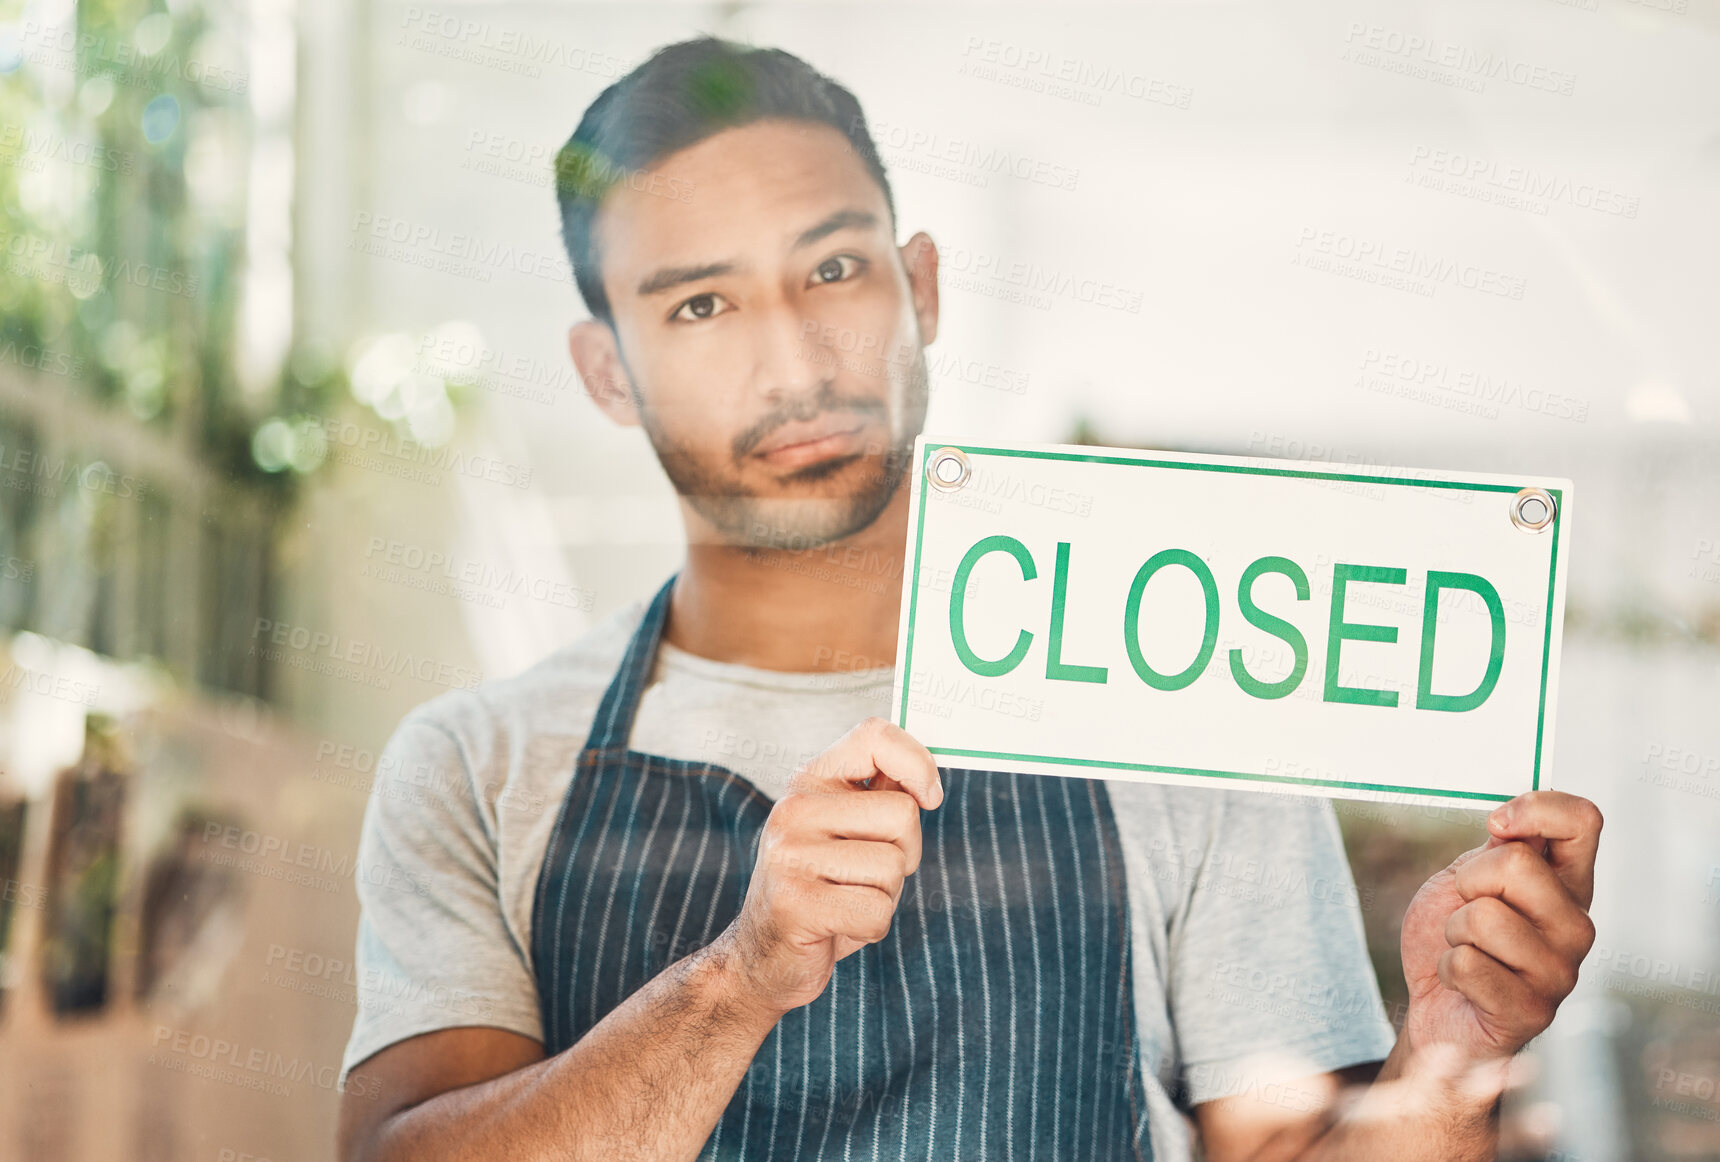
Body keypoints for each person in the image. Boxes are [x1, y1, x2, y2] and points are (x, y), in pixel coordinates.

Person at [335, 36, 1602, 1162]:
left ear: (920, 288)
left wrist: (1452, 1052)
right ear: (607, 369)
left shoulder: (1188, 702)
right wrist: (737, 979)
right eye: (701, 303)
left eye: (832, 269)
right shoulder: (475, 765)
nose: (793, 358)